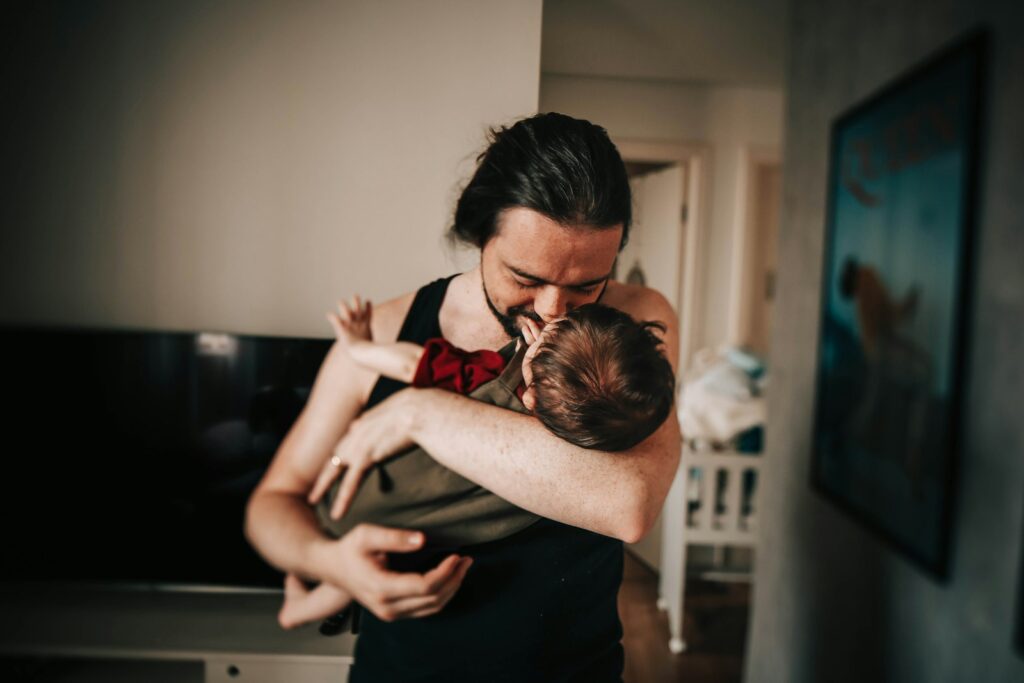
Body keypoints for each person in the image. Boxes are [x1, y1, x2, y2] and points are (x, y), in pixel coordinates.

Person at [244, 112, 682, 682]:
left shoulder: (636, 323)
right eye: (525, 277)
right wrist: (331, 564)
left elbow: (628, 505)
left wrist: (422, 412)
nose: (553, 310)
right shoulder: (384, 330)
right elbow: (271, 505)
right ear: (480, 234)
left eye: (585, 285)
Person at [276, 294, 675, 630]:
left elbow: (413, 363)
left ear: (531, 395)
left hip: (359, 500)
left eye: (554, 332)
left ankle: (305, 605)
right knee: (390, 558)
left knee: (373, 551)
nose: (550, 311)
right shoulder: (580, 454)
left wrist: (362, 347)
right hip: (405, 534)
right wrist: (545, 359)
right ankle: (312, 605)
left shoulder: (490, 378)